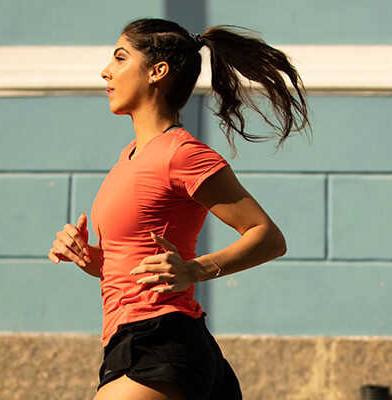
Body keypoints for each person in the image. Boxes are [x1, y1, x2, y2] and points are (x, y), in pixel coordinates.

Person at [46, 18, 309, 400]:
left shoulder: (180, 153)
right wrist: (89, 258)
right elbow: (134, 263)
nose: (106, 71)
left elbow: (268, 236)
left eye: (120, 58)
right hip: (129, 341)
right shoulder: (128, 158)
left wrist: (194, 269)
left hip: (162, 341)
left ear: (157, 71)